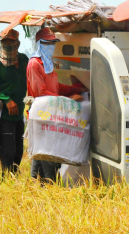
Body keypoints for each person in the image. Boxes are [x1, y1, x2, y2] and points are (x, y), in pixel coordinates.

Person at [26, 27, 87, 183]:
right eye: (47, 43)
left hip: (51, 115)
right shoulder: (34, 64)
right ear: (39, 44)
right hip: (42, 117)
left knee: (40, 157)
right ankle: (50, 185)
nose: (51, 47)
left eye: (53, 43)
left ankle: (36, 187)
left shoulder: (47, 63)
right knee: (49, 157)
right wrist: (68, 99)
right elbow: (42, 93)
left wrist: (76, 88)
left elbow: (56, 87)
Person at [0, 29, 29, 176]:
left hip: (19, 115)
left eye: (11, 42)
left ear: (18, 43)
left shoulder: (23, 61)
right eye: (5, 42)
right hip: (4, 117)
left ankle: (12, 180)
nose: (8, 45)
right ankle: (8, 181)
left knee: (18, 152)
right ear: (1, 44)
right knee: (8, 153)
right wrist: (6, 99)